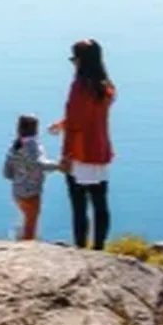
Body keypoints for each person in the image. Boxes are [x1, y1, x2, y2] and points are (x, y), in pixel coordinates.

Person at [49, 39, 116, 250]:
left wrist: (66, 157)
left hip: (80, 152)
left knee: (79, 206)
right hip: (100, 150)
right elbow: (90, 116)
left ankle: (80, 249)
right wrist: (63, 122)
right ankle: (99, 247)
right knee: (100, 203)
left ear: (80, 61)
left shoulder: (79, 87)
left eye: (74, 59)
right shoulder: (106, 87)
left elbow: (76, 124)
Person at [2, 114, 62, 240]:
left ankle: (19, 240)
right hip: (31, 192)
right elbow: (39, 164)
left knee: (25, 221)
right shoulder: (32, 145)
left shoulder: (14, 146)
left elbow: (7, 173)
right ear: (35, 129)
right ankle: (26, 248)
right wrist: (59, 166)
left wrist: (20, 178)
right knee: (31, 224)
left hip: (17, 192)